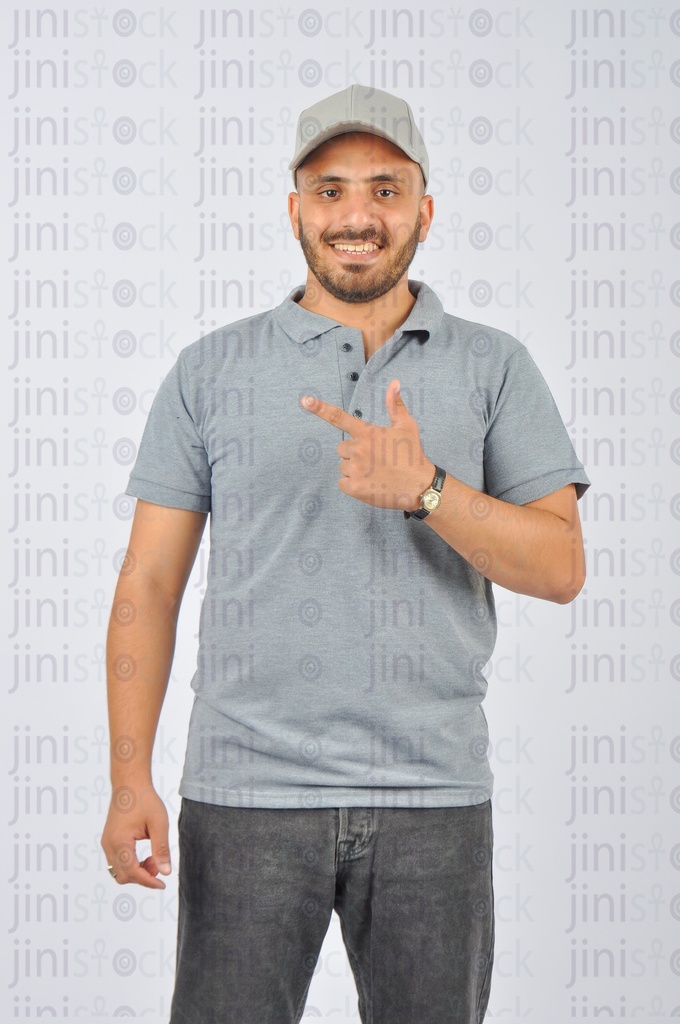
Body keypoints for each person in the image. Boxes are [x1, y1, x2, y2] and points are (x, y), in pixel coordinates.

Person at [101, 85, 590, 1024]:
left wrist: (430, 490)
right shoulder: (211, 369)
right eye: (329, 191)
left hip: (433, 799)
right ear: (294, 209)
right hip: (245, 797)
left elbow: (561, 568)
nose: (357, 215)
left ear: (424, 209)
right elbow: (147, 585)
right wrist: (130, 781)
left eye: (385, 189)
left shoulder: (494, 367)